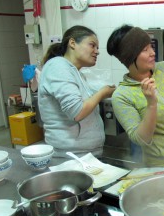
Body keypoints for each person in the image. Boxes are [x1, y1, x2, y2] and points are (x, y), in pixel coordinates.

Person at [107, 25, 164, 168]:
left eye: (150, 46)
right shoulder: (122, 95)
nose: (152, 53)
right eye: (144, 50)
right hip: (161, 166)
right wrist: (151, 104)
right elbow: (141, 139)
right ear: (129, 58)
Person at [38, 25, 115, 157]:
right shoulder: (58, 67)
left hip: (85, 154)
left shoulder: (76, 73)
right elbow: (77, 112)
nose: (97, 51)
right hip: (71, 156)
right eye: (92, 45)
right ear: (72, 43)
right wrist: (102, 93)